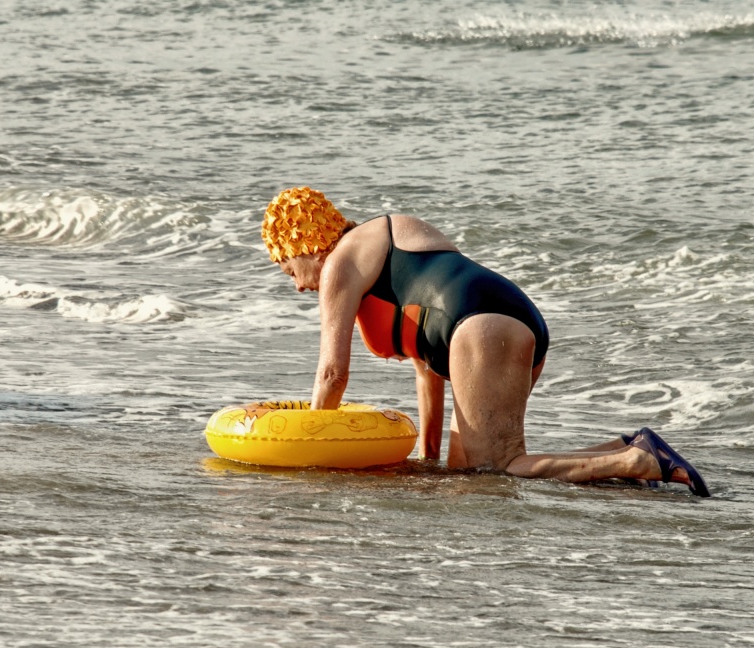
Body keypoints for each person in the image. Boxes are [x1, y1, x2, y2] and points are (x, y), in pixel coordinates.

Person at [261, 186, 710, 497]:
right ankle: (624, 447)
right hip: (512, 315)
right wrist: (430, 461)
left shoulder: (339, 265)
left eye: (290, 271)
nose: (298, 286)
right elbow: (428, 370)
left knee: (497, 468)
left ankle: (635, 462)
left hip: (479, 329)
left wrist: (309, 451)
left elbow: (332, 373)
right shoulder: (388, 236)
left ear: (305, 246)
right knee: (467, 475)